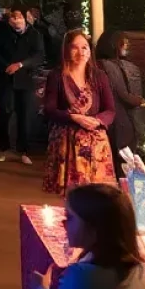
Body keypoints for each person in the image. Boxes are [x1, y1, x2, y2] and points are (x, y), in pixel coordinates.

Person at [32, 183, 145, 289]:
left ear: (95, 228)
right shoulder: (138, 268)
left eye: (70, 217)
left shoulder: (84, 276)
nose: (63, 223)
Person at [43, 30, 115, 195]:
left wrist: (97, 120)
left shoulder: (99, 76)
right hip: (67, 143)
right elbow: (49, 109)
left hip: (95, 145)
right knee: (71, 195)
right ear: (66, 50)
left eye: (85, 47)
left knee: (98, 195)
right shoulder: (57, 76)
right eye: (75, 47)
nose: (81, 52)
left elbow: (110, 110)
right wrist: (73, 117)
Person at [0, 7, 45, 165]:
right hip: (5, 79)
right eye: (13, 16)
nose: (16, 19)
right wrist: (7, 66)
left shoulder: (34, 34)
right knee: (5, 112)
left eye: (19, 16)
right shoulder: (3, 33)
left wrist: (21, 65)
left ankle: (24, 150)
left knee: (25, 115)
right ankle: (3, 147)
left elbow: (38, 56)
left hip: (26, 79)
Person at [95, 31, 145, 172]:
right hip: (118, 122)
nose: (126, 45)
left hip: (115, 121)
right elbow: (122, 94)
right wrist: (138, 100)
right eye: (122, 42)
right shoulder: (107, 66)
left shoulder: (102, 65)